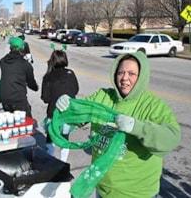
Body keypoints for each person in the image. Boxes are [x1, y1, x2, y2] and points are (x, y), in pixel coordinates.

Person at [56, 51, 181, 197]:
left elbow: (171, 138)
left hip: (137, 193)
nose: (124, 78)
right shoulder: (103, 97)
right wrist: (66, 108)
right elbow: (77, 116)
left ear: (141, 77)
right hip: (102, 189)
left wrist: (136, 127)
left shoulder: (153, 105)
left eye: (131, 74)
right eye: (121, 72)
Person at [41, 49, 79, 161]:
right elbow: (76, 90)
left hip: (53, 113)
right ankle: (63, 162)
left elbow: (46, 98)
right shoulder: (71, 73)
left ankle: (51, 162)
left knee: (50, 137)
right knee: (65, 138)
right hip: (68, 113)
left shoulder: (47, 76)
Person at [0, 36, 38, 117]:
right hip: (18, 100)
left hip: (4, 99)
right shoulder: (25, 64)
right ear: (22, 49)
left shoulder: (2, 61)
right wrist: (36, 87)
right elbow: (31, 83)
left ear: (10, 47)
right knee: (27, 122)